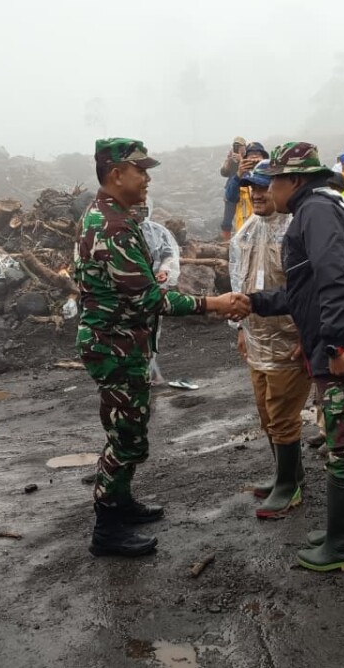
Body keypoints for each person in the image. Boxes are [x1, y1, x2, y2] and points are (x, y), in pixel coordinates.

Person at [76, 138, 249, 559]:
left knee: (128, 426)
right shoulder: (112, 226)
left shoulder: (110, 216)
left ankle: (121, 502)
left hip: (118, 341)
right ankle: (107, 528)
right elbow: (150, 300)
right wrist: (213, 304)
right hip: (115, 345)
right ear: (116, 174)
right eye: (140, 170)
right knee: (126, 436)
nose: (147, 178)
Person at [248, 142, 344, 572]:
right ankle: (342, 531)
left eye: (273, 181)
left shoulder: (314, 213)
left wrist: (334, 346)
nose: (267, 190)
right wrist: (254, 302)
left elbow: (335, 278)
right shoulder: (324, 207)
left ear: (294, 180)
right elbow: (306, 290)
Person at [229, 160, 312, 519]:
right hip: (257, 339)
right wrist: (240, 330)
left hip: (289, 339)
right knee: (266, 414)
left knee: (282, 416)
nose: (257, 194)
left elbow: (310, 290)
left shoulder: (298, 229)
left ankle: (288, 487)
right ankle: (288, 474)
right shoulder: (246, 231)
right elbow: (238, 279)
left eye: (264, 187)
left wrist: (309, 335)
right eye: (253, 188)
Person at [136, 199, 180, 385]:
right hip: (128, 293)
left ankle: (151, 372)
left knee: (151, 331)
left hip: (153, 289)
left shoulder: (156, 231)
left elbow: (169, 255)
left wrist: (164, 270)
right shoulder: (117, 232)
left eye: (142, 207)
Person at [221, 142, 269, 241]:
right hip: (244, 232)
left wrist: (265, 168)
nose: (254, 157)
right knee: (226, 222)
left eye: (258, 154)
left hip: (266, 231)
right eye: (251, 155)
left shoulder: (271, 177)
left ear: (264, 158)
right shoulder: (241, 180)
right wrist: (239, 173)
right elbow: (230, 197)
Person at [220, 136, 247, 238]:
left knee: (245, 218)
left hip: (245, 191)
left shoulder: (248, 157)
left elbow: (249, 172)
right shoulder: (232, 159)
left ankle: (244, 238)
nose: (237, 148)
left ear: (244, 147)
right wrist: (228, 161)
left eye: (240, 146)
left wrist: (241, 160)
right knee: (227, 221)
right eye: (235, 146)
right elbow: (224, 173)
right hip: (231, 190)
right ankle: (226, 241)